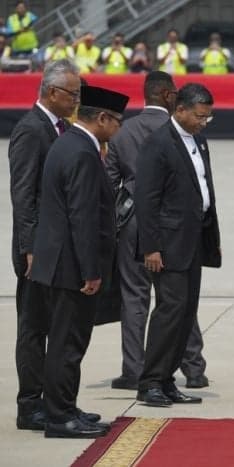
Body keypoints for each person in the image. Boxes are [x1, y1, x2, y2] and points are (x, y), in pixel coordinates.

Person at [31, 84, 128, 438]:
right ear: (101, 118)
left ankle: (66, 407)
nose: (119, 129)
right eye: (117, 121)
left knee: (69, 342)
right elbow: (82, 216)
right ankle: (59, 417)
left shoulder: (72, 143)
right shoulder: (82, 153)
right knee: (66, 344)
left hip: (63, 262)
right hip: (71, 267)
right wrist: (91, 270)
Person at [134, 83, 221, 407]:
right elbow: (147, 199)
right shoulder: (158, 144)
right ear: (180, 109)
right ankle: (150, 381)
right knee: (169, 311)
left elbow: (203, 191)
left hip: (193, 241)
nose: (203, 122)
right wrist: (151, 247)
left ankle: (168, 378)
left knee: (185, 313)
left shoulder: (198, 139)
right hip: (167, 247)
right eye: (200, 116)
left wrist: (212, 239)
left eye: (207, 118)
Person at [9, 59, 81, 432]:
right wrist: (29, 248)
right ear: (52, 93)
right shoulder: (31, 131)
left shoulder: (61, 128)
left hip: (60, 251)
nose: (77, 100)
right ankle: (30, 403)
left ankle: (58, 401)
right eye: (73, 94)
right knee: (35, 328)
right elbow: (23, 195)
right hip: (38, 252)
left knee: (60, 327)